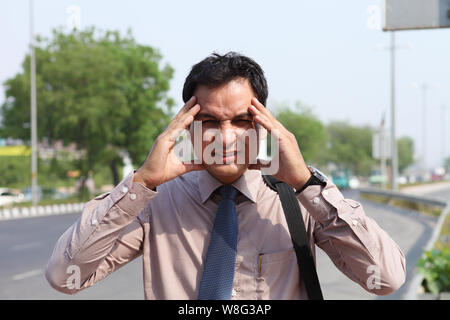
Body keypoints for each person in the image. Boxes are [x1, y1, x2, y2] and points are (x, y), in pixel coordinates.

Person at [46, 52, 406, 300]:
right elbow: (65, 277)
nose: (227, 135)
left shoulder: (297, 201)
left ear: (264, 125)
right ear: (187, 128)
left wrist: (306, 184)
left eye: (241, 121)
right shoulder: (157, 202)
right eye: (210, 122)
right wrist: (141, 183)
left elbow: (386, 279)